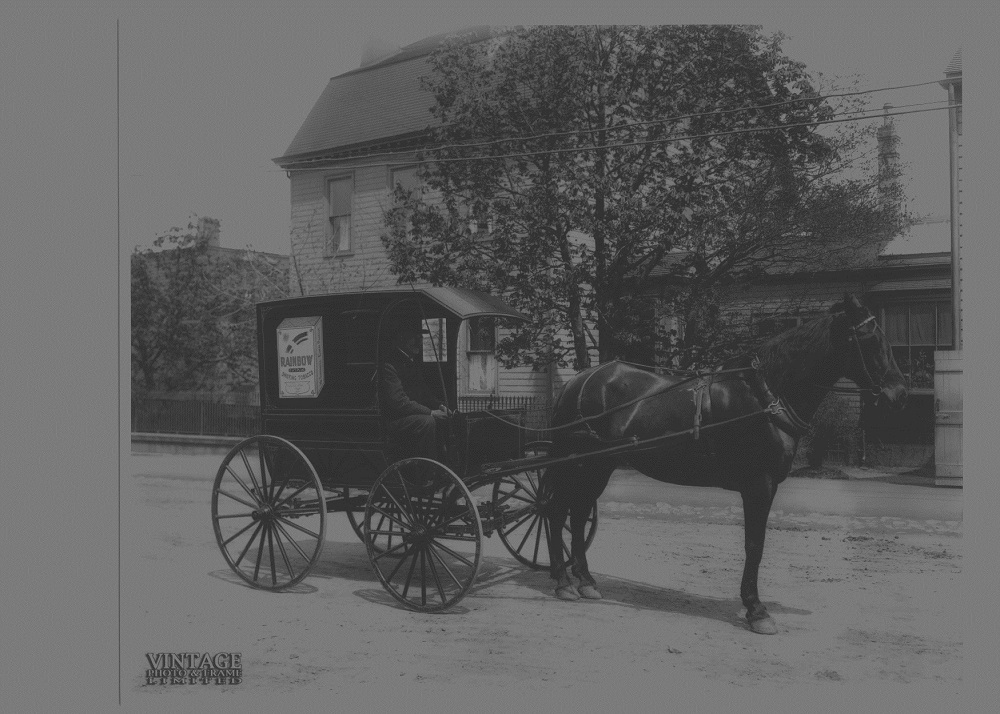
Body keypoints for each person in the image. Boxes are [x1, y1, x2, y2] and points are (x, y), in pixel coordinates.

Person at [378, 324, 449, 461]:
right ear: (401, 339)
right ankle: (424, 474)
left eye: (420, 337)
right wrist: (430, 412)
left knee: (445, 417)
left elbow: (424, 391)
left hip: (410, 417)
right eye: (414, 337)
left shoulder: (411, 362)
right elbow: (398, 402)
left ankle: (444, 465)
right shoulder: (390, 364)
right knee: (427, 421)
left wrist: (440, 405)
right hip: (393, 421)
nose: (419, 341)